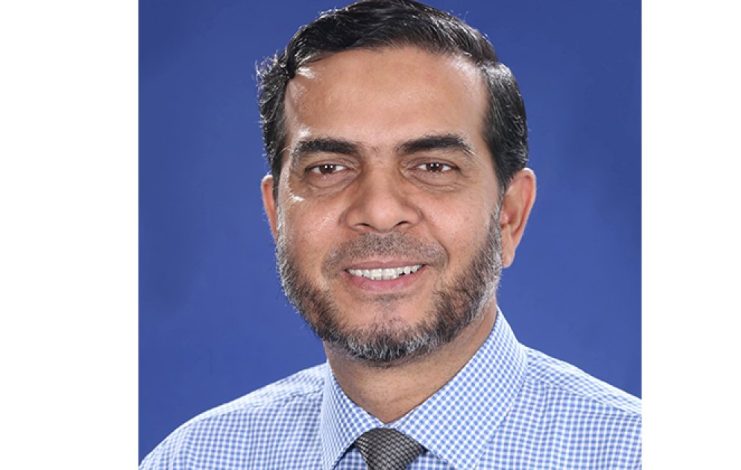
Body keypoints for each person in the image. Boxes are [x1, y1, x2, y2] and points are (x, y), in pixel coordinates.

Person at [140, 0, 641, 468]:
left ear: (509, 215)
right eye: (329, 168)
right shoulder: (193, 459)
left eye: (433, 166)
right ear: (277, 215)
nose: (379, 212)